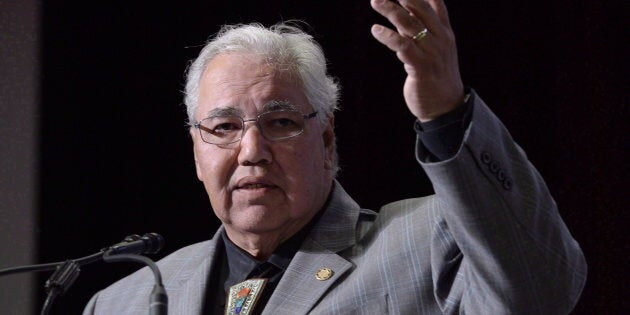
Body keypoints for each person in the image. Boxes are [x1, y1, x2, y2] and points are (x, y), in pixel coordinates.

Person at [84, 0, 587, 314]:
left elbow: (541, 288)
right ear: (196, 151)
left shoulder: (429, 242)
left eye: (280, 123)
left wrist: (447, 114)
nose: (252, 152)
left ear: (326, 140)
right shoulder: (122, 302)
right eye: (223, 128)